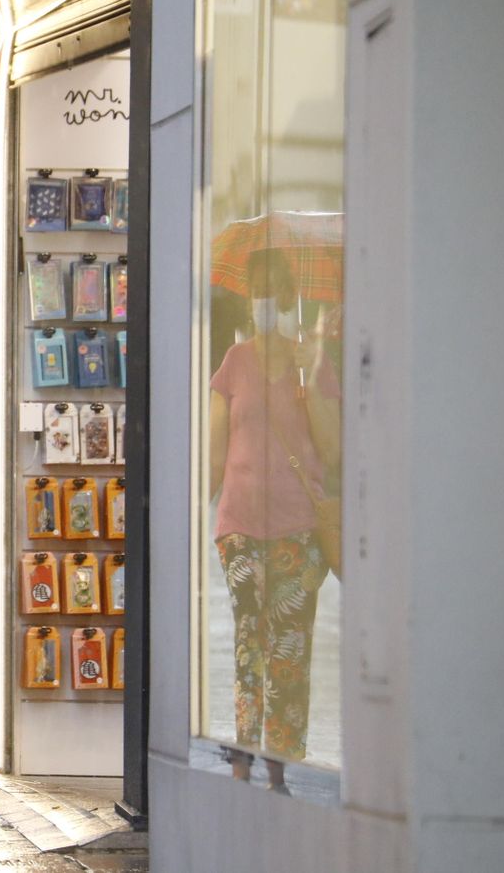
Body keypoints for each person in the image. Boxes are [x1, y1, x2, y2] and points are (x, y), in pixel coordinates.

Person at [207, 249, 340, 792]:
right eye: (258, 290)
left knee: (290, 648)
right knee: (250, 636)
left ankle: (280, 766)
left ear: (291, 298)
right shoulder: (234, 362)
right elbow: (214, 451)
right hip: (240, 525)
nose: (267, 300)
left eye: (277, 291)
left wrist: (312, 368)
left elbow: (331, 449)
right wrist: (193, 517)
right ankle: (243, 756)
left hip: (299, 529)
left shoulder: (314, 364)